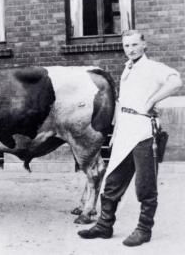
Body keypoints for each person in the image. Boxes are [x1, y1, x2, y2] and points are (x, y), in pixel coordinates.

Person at [77, 30, 183, 246]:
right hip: (125, 131)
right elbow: (122, 103)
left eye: (135, 45)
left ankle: (144, 229)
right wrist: (116, 133)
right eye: (127, 46)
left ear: (144, 45)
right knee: (112, 181)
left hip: (144, 132)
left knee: (145, 185)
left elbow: (175, 81)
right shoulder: (127, 69)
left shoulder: (153, 68)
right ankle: (104, 225)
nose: (131, 49)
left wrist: (152, 100)